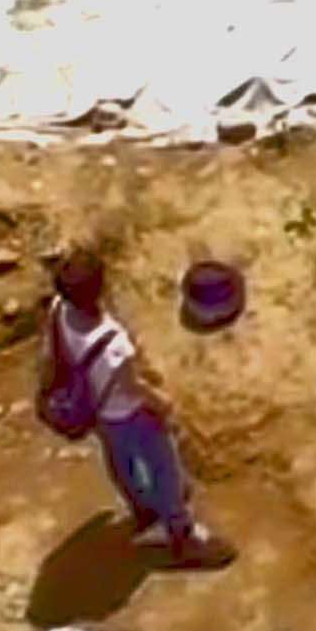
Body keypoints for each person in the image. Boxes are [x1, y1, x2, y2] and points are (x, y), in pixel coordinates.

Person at [42, 244, 234, 570]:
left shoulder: (60, 309)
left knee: (121, 461)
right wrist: (165, 407)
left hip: (97, 409)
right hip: (129, 413)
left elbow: (52, 356)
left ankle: (141, 509)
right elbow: (135, 388)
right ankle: (182, 536)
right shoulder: (113, 342)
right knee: (165, 469)